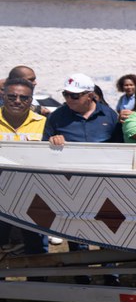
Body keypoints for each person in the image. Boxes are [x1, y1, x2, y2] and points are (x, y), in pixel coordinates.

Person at [43, 73, 122, 285]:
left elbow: (120, 148)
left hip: (106, 183)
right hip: (71, 184)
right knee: (75, 229)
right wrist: (52, 141)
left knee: (108, 230)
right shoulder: (57, 116)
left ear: (90, 95)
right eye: (66, 94)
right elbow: (43, 148)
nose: (69, 99)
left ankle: (111, 275)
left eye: (74, 96)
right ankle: (81, 275)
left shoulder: (109, 115)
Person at [0, 77, 49, 272]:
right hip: (1, 196)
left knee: (36, 244)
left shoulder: (45, 123)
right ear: (3, 96)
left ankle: (39, 285)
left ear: (31, 100)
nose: (18, 101)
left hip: (33, 195)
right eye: (12, 96)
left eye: (24, 97)